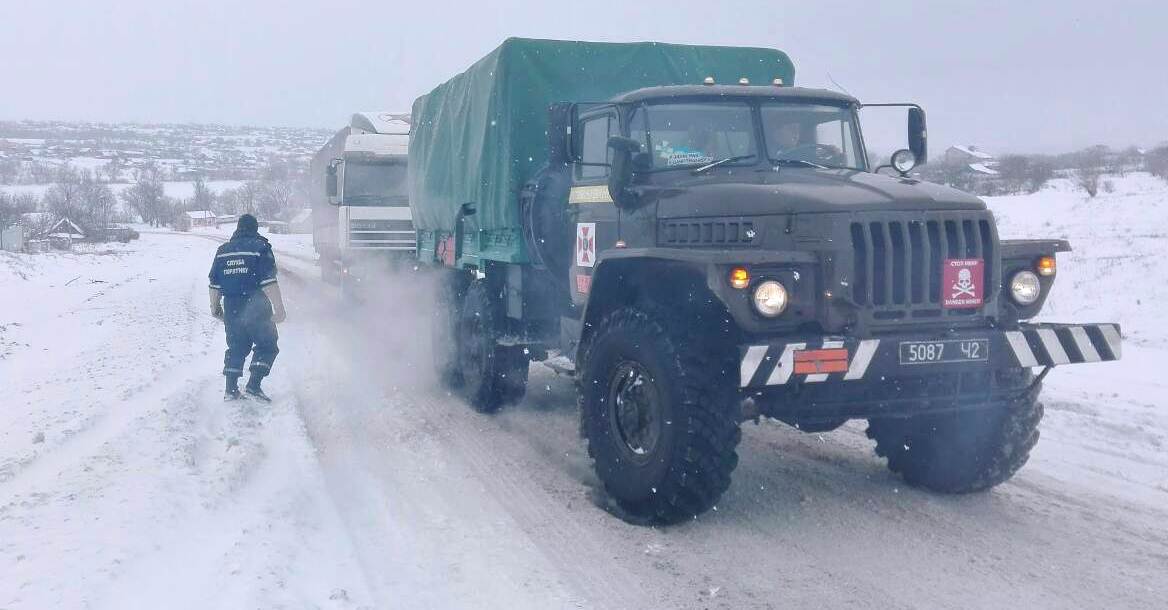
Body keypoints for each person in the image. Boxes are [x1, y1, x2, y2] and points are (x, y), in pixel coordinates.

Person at [207, 214, 287, 402]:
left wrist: (215, 307)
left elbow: (214, 283)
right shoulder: (261, 248)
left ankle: (231, 389)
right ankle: (253, 385)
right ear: (255, 229)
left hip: (232, 306)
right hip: (257, 306)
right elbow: (269, 282)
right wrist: (279, 308)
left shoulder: (222, 251)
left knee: (236, 346)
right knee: (267, 345)